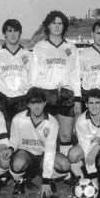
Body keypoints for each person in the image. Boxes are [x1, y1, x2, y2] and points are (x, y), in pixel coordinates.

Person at [30, 11, 81, 157]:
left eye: (60, 23)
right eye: (54, 23)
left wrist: (77, 98)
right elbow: (34, 74)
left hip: (66, 94)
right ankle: (47, 170)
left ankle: (65, 172)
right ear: (48, 25)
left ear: (64, 26)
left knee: (65, 136)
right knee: (47, 135)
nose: (57, 26)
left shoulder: (71, 48)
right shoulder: (40, 47)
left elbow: (75, 74)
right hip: (46, 94)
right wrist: (34, 98)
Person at [8, 87, 71, 197]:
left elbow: (50, 150)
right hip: (26, 154)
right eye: (33, 103)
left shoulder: (52, 122)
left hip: (43, 156)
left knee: (65, 165)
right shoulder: (18, 119)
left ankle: (48, 177)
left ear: (45, 103)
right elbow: (14, 140)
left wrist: (46, 180)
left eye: (40, 103)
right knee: (18, 164)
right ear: (28, 104)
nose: (37, 107)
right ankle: (20, 181)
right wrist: (10, 149)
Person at [0, 19, 31, 130]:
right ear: (4, 34)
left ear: (20, 34)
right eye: (9, 31)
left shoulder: (28, 54)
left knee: (21, 131)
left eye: (16, 31)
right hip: (2, 98)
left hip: (22, 98)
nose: (13, 34)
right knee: (3, 132)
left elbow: (31, 78)